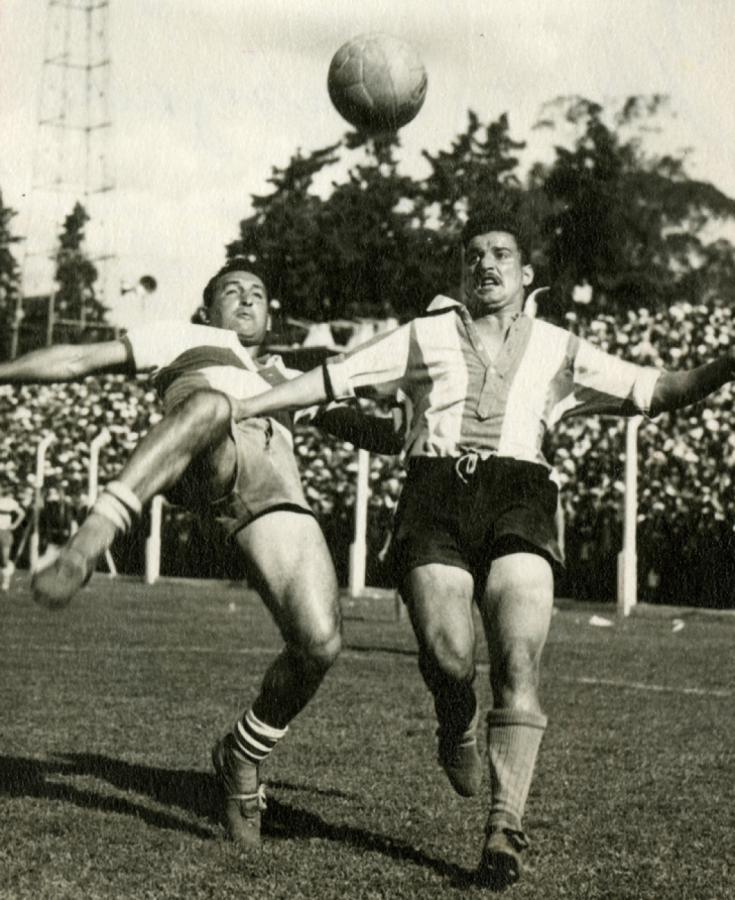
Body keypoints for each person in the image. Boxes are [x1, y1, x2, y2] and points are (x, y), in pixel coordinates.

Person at [228, 210, 735, 888]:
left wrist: (727, 362)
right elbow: (331, 381)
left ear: (526, 275)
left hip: (520, 494)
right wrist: (245, 406)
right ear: (461, 273)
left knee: (517, 654)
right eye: (472, 256)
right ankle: (453, 720)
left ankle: (504, 826)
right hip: (434, 495)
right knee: (447, 657)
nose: (485, 264)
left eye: (500, 254)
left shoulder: (559, 346)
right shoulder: (424, 335)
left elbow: (661, 388)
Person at [0, 258, 397, 850]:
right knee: (212, 405)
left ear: (270, 313)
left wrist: (415, 409)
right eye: (231, 292)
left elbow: (372, 434)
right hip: (205, 455)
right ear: (206, 309)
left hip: (273, 490)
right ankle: (92, 538)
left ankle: (242, 754)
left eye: (257, 294)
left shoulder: (288, 375)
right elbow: (78, 359)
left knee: (319, 644)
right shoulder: (182, 338)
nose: (246, 300)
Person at [0, 494, 24, 591]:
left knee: (4, 559)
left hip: (5, 532)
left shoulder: (9, 501)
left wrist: (14, 525)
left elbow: (22, 513)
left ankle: (6, 581)